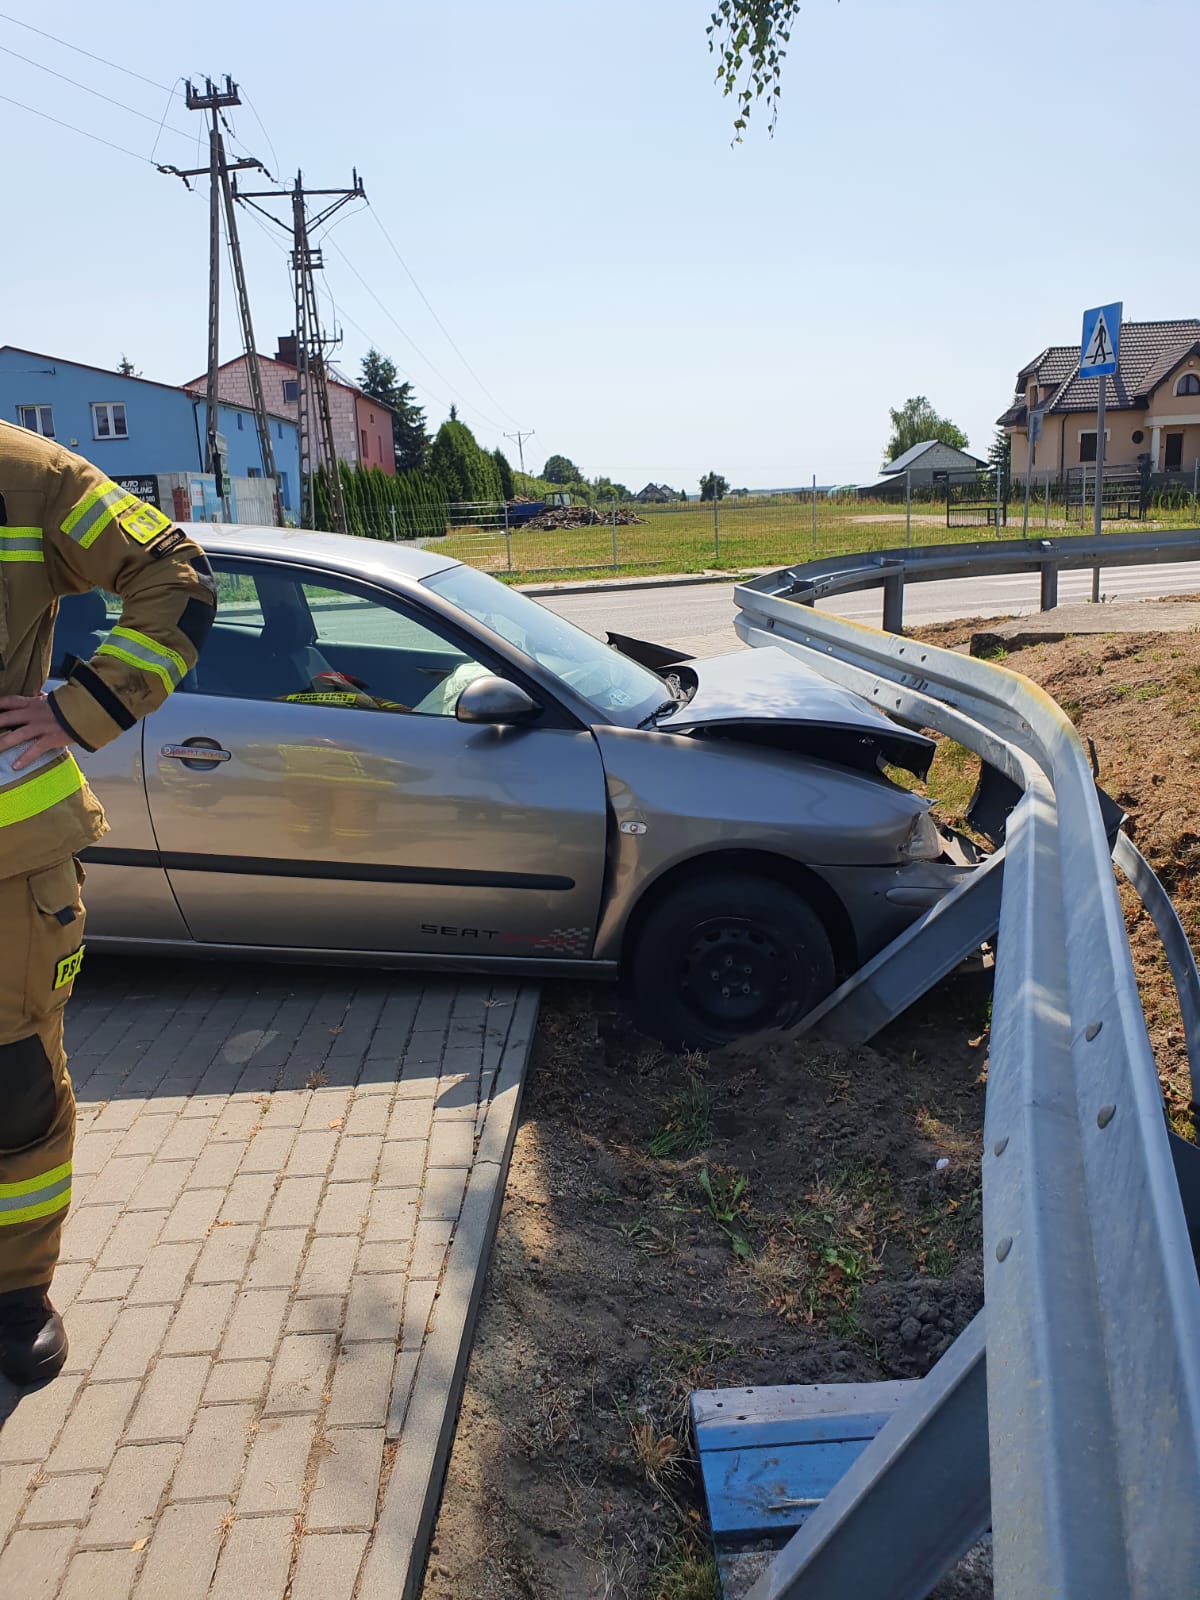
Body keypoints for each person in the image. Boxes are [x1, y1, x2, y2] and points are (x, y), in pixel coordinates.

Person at [0, 421, 215, 1385]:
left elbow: (180, 577)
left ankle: (14, 1296)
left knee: (13, 1092)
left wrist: (78, 708)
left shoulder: (26, 473)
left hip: (4, 861)